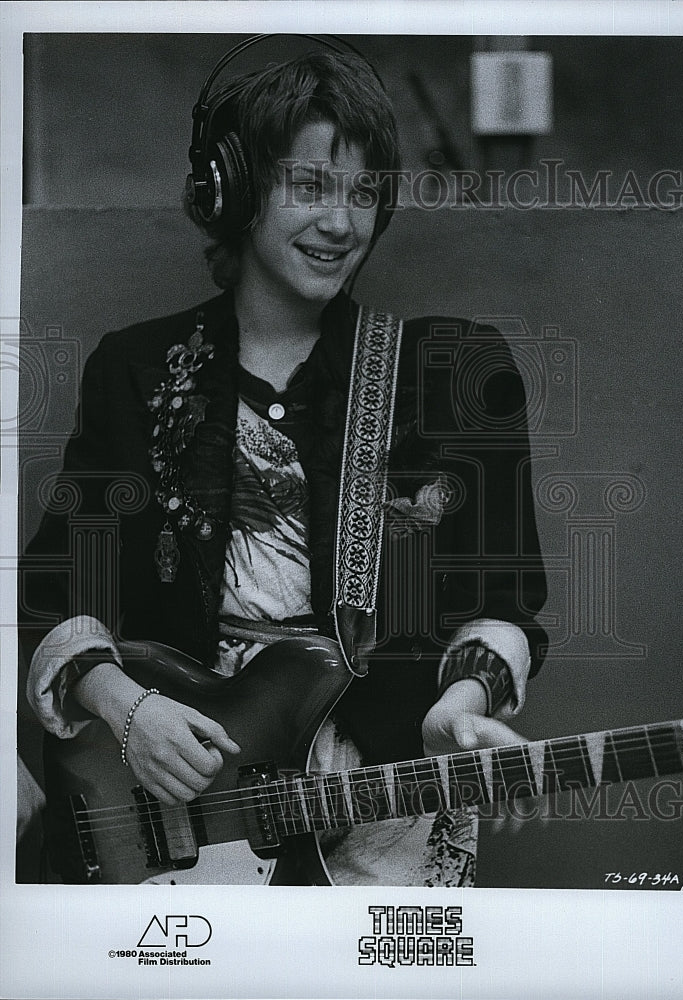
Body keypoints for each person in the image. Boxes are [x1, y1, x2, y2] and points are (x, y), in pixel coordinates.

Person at [18, 40, 547, 886]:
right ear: (229, 190)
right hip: (183, 813)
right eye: (309, 185)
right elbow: (56, 594)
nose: (341, 223)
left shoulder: (453, 372)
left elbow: (502, 603)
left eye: (364, 192)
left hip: (382, 808)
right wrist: (129, 712)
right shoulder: (138, 369)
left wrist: (462, 702)